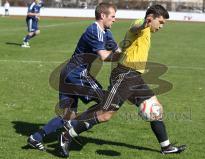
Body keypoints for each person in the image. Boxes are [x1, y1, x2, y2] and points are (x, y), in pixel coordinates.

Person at [59, 4, 186, 158]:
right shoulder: (140, 24)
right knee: (105, 114)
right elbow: (135, 28)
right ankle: (68, 133)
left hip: (135, 77)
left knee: (155, 110)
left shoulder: (148, 31)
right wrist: (143, 24)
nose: (161, 26)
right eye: (160, 22)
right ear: (150, 18)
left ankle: (166, 147)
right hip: (124, 75)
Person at [27, 2, 121, 151]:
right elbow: (104, 56)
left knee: (68, 116)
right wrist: (123, 56)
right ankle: (69, 130)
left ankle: (36, 137)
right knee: (107, 101)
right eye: (113, 16)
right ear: (103, 16)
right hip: (77, 74)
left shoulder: (106, 32)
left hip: (68, 74)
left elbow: (117, 50)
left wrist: (126, 51)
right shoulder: (94, 30)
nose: (115, 20)